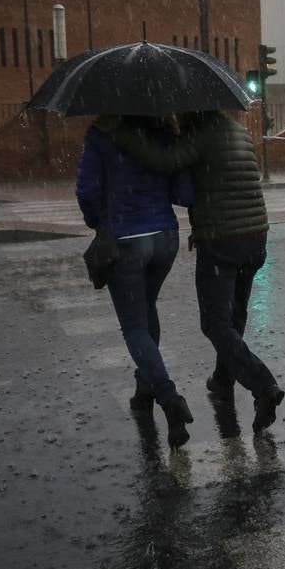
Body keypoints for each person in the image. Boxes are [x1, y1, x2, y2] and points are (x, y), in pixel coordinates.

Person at [112, 110, 285, 434]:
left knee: (215, 323)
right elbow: (229, 183)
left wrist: (121, 135)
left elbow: (165, 161)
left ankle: (264, 386)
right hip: (256, 236)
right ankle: (222, 379)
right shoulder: (237, 129)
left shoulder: (202, 133)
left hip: (223, 241)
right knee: (234, 317)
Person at [75, 115, 196, 447]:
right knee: (146, 309)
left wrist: (98, 220)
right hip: (165, 237)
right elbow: (183, 188)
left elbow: (87, 190)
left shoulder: (102, 133)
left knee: (134, 327)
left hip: (126, 239)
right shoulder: (159, 128)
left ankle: (169, 398)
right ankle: (144, 389)